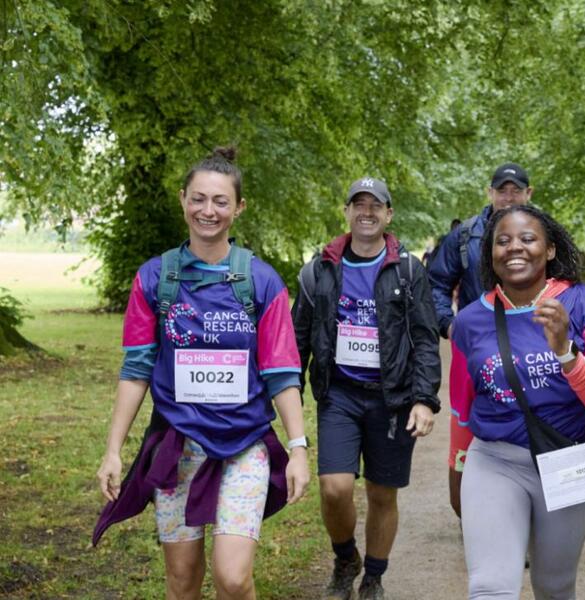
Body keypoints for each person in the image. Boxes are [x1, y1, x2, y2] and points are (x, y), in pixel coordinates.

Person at [93, 147, 310, 600]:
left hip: (244, 446)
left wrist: (298, 448)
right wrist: (113, 451)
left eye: (220, 201)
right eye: (198, 198)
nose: (207, 210)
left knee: (232, 579)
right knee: (183, 582)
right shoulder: (155, 279)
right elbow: (136, 370)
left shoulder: (261, 281)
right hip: (177, 447)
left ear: (239, 208)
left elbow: (282, 372)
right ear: (182, 200)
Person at [449, 205, 585, 600]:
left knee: (554, 586)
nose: (515, 248)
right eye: (503, 240)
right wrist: (456, 469)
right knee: (490, 587)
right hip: (494, 462)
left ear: (549, 250)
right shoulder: (469, 321)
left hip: (569, 460)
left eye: (528, 239)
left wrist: (567, 352)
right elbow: (463, 406)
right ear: (490, 253)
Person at [292, 177, 441, 600]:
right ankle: (345, 559)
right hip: (339, 393)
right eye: (359, 204)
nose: (367, 211)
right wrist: (285, 393)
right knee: (335, 487)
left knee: (381, 492)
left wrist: (424, 399)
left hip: (391, 397)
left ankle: (373, 577)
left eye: (376, 205)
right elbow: (298, 338)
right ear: (347, 212)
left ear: (388, 215)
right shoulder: (318, 271)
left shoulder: (408, 271)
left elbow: (426, 338)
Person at [426, 162, 532, 516]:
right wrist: (450, 325)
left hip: (528, 349)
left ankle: (528, 516)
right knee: (468, 428)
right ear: (490, 193)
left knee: (527, 425)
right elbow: (435, 283)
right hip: (475, 354)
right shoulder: (466, 236)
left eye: (516, 190)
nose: (509, 196)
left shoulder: (543, 235)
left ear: (528, 194)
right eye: (502, 189)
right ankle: (470, 514)